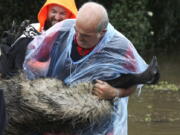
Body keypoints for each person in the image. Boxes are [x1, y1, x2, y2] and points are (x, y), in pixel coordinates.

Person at [24, 2, 148, 135]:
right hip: (58, 114)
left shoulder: (119, 47)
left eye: (85, 36)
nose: (78, 37)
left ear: (102, 33)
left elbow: (133, 82)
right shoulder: (62, 30)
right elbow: (30, 61)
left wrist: (114, 92)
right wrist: (45, 72)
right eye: (76, 31)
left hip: (100, 123)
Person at [0, 0, 77, 77]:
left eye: (62, 13)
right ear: (47, 11)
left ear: (70, 16)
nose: (57, 17)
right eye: (53, 12)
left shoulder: (72, 39)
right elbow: (20, 62)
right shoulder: (33, 30)